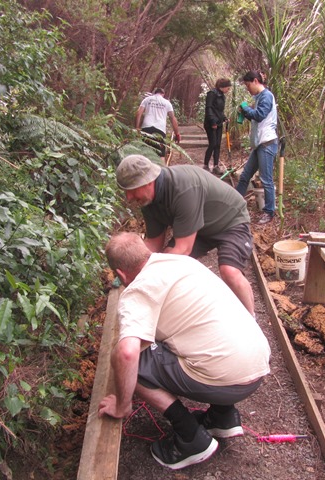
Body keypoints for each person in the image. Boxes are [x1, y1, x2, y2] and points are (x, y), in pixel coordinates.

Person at [99, 232, 271, 470]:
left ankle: (191, 438)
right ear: (146, 251)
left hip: (228, 381)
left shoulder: (137, 291)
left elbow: (127, 353)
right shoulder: (182, 262)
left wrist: (121, 404)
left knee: (128, 361)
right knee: (197, 335)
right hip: (258, 365)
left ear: (120, 274)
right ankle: (222, 417)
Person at [115, 154, 256, 316]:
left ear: (147, 181)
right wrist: (132, 268)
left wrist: (149, 275)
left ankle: (251, 318)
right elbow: (154, 244)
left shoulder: (182, 189)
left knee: (229, 271)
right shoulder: (148, 201)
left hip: (230, 221)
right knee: (167, 254)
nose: (129, 198)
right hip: (200, 227)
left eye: (132, 190)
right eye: (126, 191)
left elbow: (183, 250)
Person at [235, 71, 278, 225]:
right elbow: (255, 117)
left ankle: (269, 212)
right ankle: (233, 205)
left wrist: (246, 108)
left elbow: (259, 115)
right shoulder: (259, 97)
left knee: (266, 180)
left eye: (248, 85)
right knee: (245, 176)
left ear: (255, 81)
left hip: (267, 143)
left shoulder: (266, 96)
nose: (248, 89)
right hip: (259, 144)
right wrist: (245, 112)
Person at [136, 88, 181, 161]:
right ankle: (161, 168)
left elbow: (139, 113)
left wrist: (137, 128)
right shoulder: (167, 103)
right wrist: (177, 134)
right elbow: (173, 119)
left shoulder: (147, 100)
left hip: (146, 129)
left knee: (144, 153)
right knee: (161, 155)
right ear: (163, 94)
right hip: (160, 130)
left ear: (155, 93)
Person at [203, 78, 232, 175]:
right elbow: (209, 108)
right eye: (227, 88)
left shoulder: (222, 96)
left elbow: (219, 110)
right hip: (210, 123)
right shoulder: (211, 94)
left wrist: (224, 118)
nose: (228, 90)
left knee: (218, 145)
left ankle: (216, 166)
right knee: (213, 143)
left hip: (219, 123)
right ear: (222, 86)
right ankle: (206, 165)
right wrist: (212, 121)